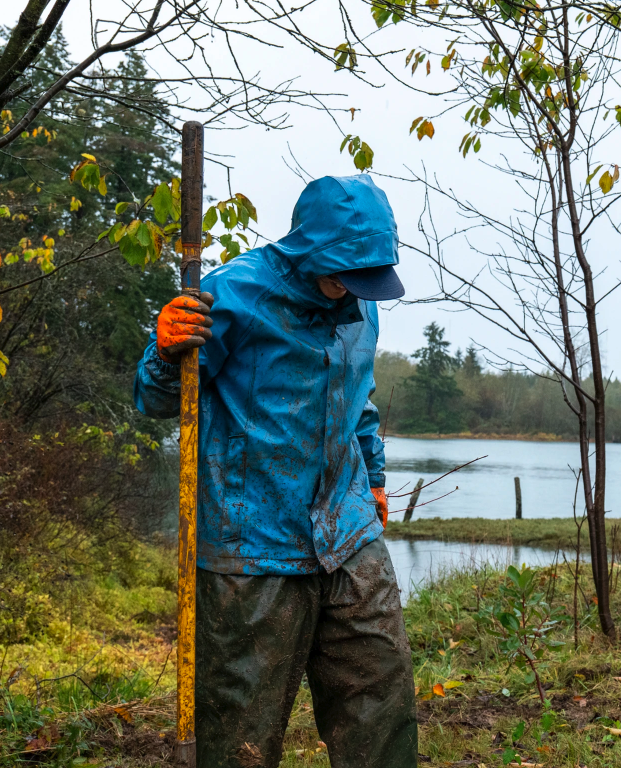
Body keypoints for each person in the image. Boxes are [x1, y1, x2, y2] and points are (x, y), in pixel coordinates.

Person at [133, 175, 416, 768]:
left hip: (348, 533)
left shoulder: (361, 307)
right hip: (252, 546)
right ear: (310, 249)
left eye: (366, 279)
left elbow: (359, 398)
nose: (353, 292)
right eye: (345, 274)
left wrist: (375, 479)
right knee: (240, 730)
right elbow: (161, 400)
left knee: (381, 703)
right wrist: (163, 352)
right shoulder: (233, 294)